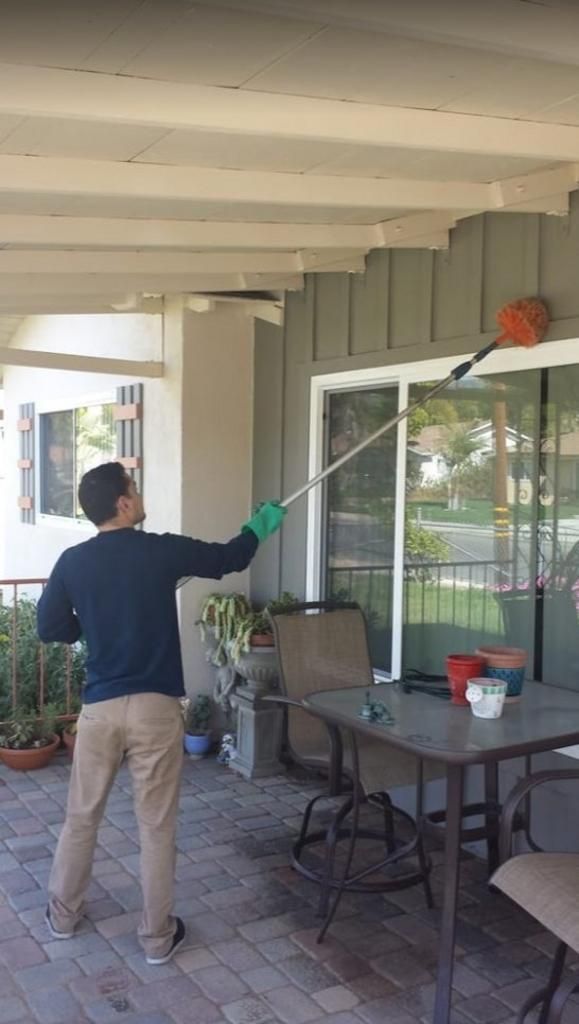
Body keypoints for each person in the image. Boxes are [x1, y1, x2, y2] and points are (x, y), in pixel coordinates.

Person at [37, 461, 286, 965]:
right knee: (155, 826)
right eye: (135, 489)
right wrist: (259, 526)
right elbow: (228, 558)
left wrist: (91, 625)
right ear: (124, 504)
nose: (140, 495)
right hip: (154, 711)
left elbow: (51, 628)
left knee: (81, 817)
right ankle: (156, 939)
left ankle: (63, 917)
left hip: (100, 711)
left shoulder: (72, 562)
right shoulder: (159, 550)